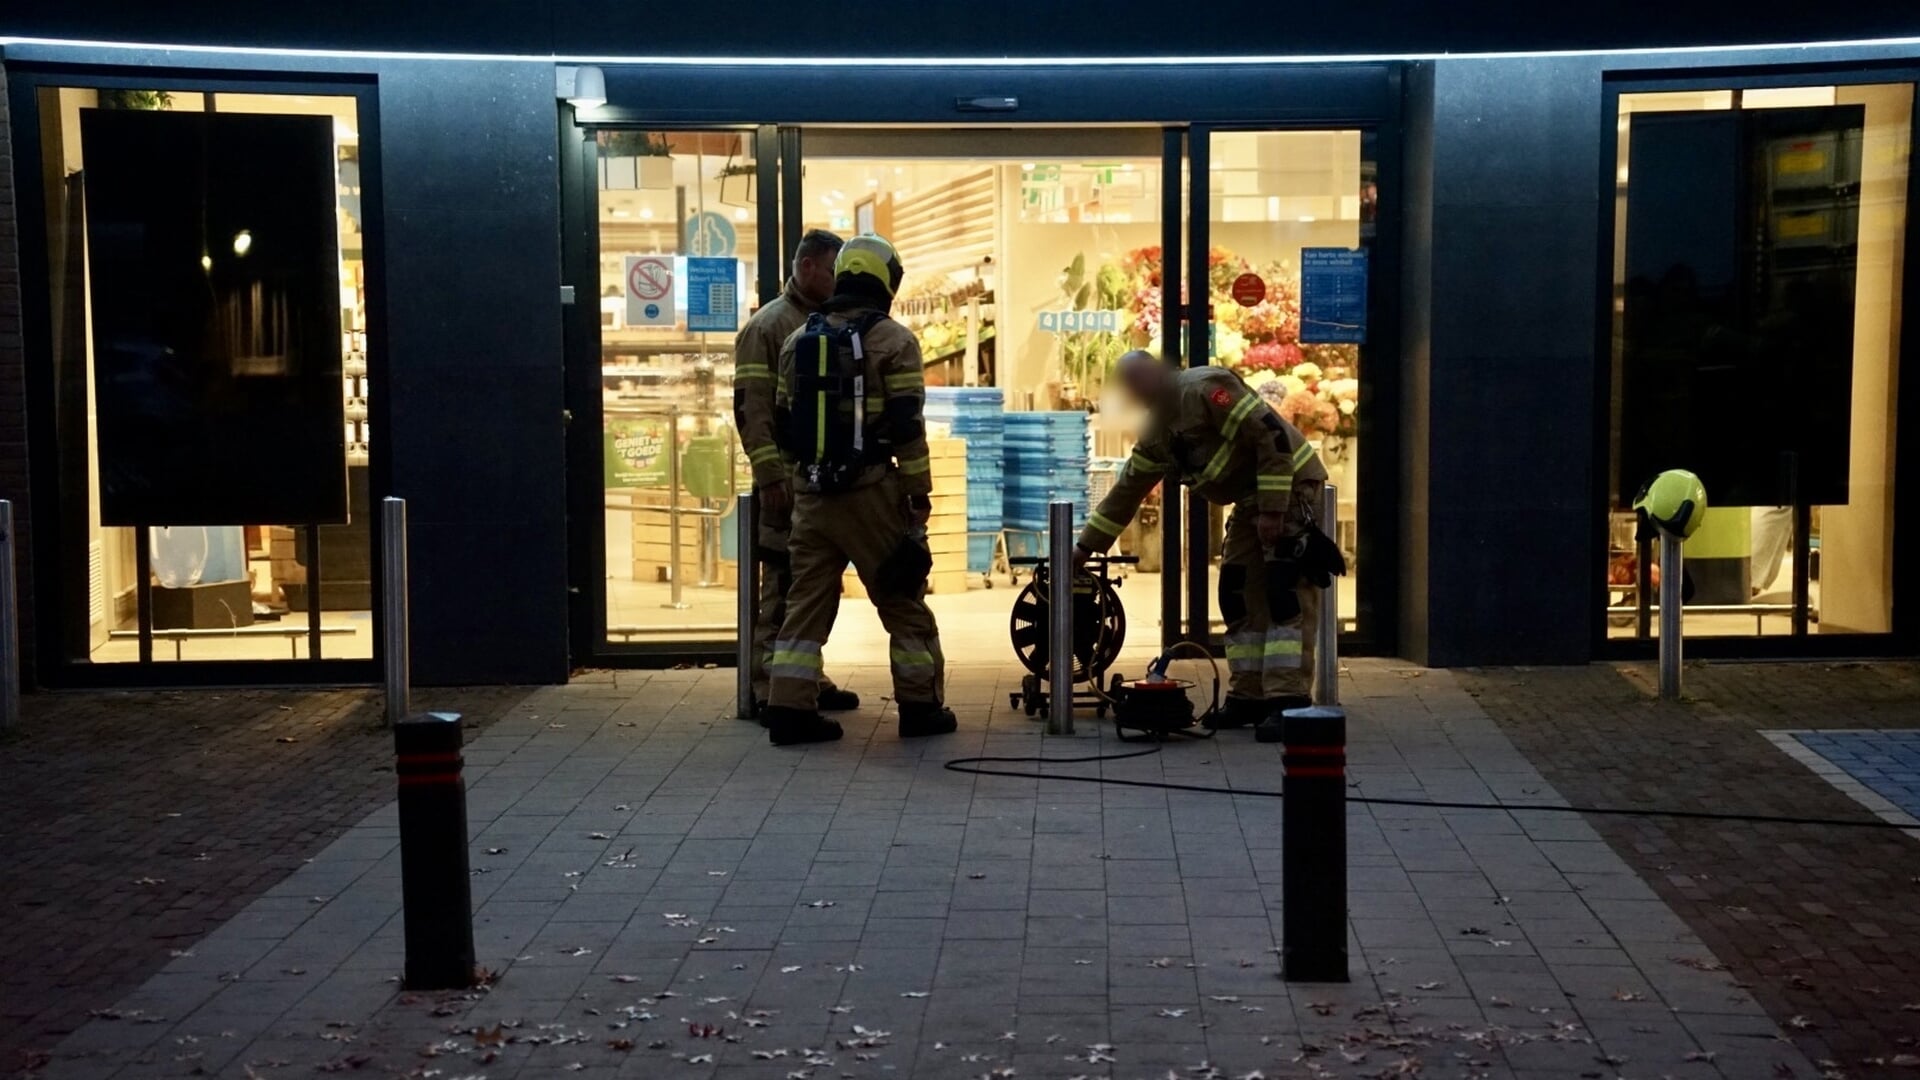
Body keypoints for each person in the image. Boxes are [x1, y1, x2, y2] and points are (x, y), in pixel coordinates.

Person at [1074, 350, 1335, 741]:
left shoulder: (1205, 389)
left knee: (1285, 594)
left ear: (1156, 372)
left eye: (1139, 379)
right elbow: (1127, 490)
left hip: (1289, 489)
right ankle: (1248, 696)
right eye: (1129, 384)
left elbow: (1272, 435)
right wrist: (1083, 549)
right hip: (1251, 502)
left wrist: (1273, 510)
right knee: (1236, 591)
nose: (1136, 390)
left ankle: (1289, 701)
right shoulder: (1157, 434)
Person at [762, 235, 957, 746]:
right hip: (870, 494)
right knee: (901, 598)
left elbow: (784, 422)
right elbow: (907, 427)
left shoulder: (796, 338)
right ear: (885, 280)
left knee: (804, 603)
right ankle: (919, 706)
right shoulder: (894, 341)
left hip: (811, 496)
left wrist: (796, 482)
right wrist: (918, 492)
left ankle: (788, 710)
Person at [733, 229, 859, 720]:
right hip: (786, 483)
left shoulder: (825, 322)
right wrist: (770, 478)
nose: (839, 281)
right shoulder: (767, 328)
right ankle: (769, 686)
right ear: (807, 268)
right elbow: (753, 409)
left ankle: (806, 678)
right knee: (782, 585)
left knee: (815, 586)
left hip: (818, 482)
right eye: (833, 271)